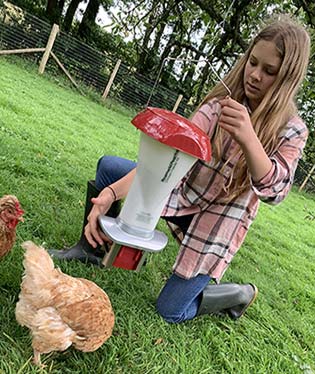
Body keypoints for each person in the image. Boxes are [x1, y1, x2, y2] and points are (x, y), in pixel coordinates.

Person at [49, 15, 310, 323]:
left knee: (170, 311)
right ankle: (91, 248)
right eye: (253, 62)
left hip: (215, 225)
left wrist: (249, 138)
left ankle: (236, 294)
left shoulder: (291, 130)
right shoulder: (219, 105)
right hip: (181, 193)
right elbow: (169, 159)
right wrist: (109, 194)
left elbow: (275, 192)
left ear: (286, 78)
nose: (254, 75)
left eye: (269, 71)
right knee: (109, 169)